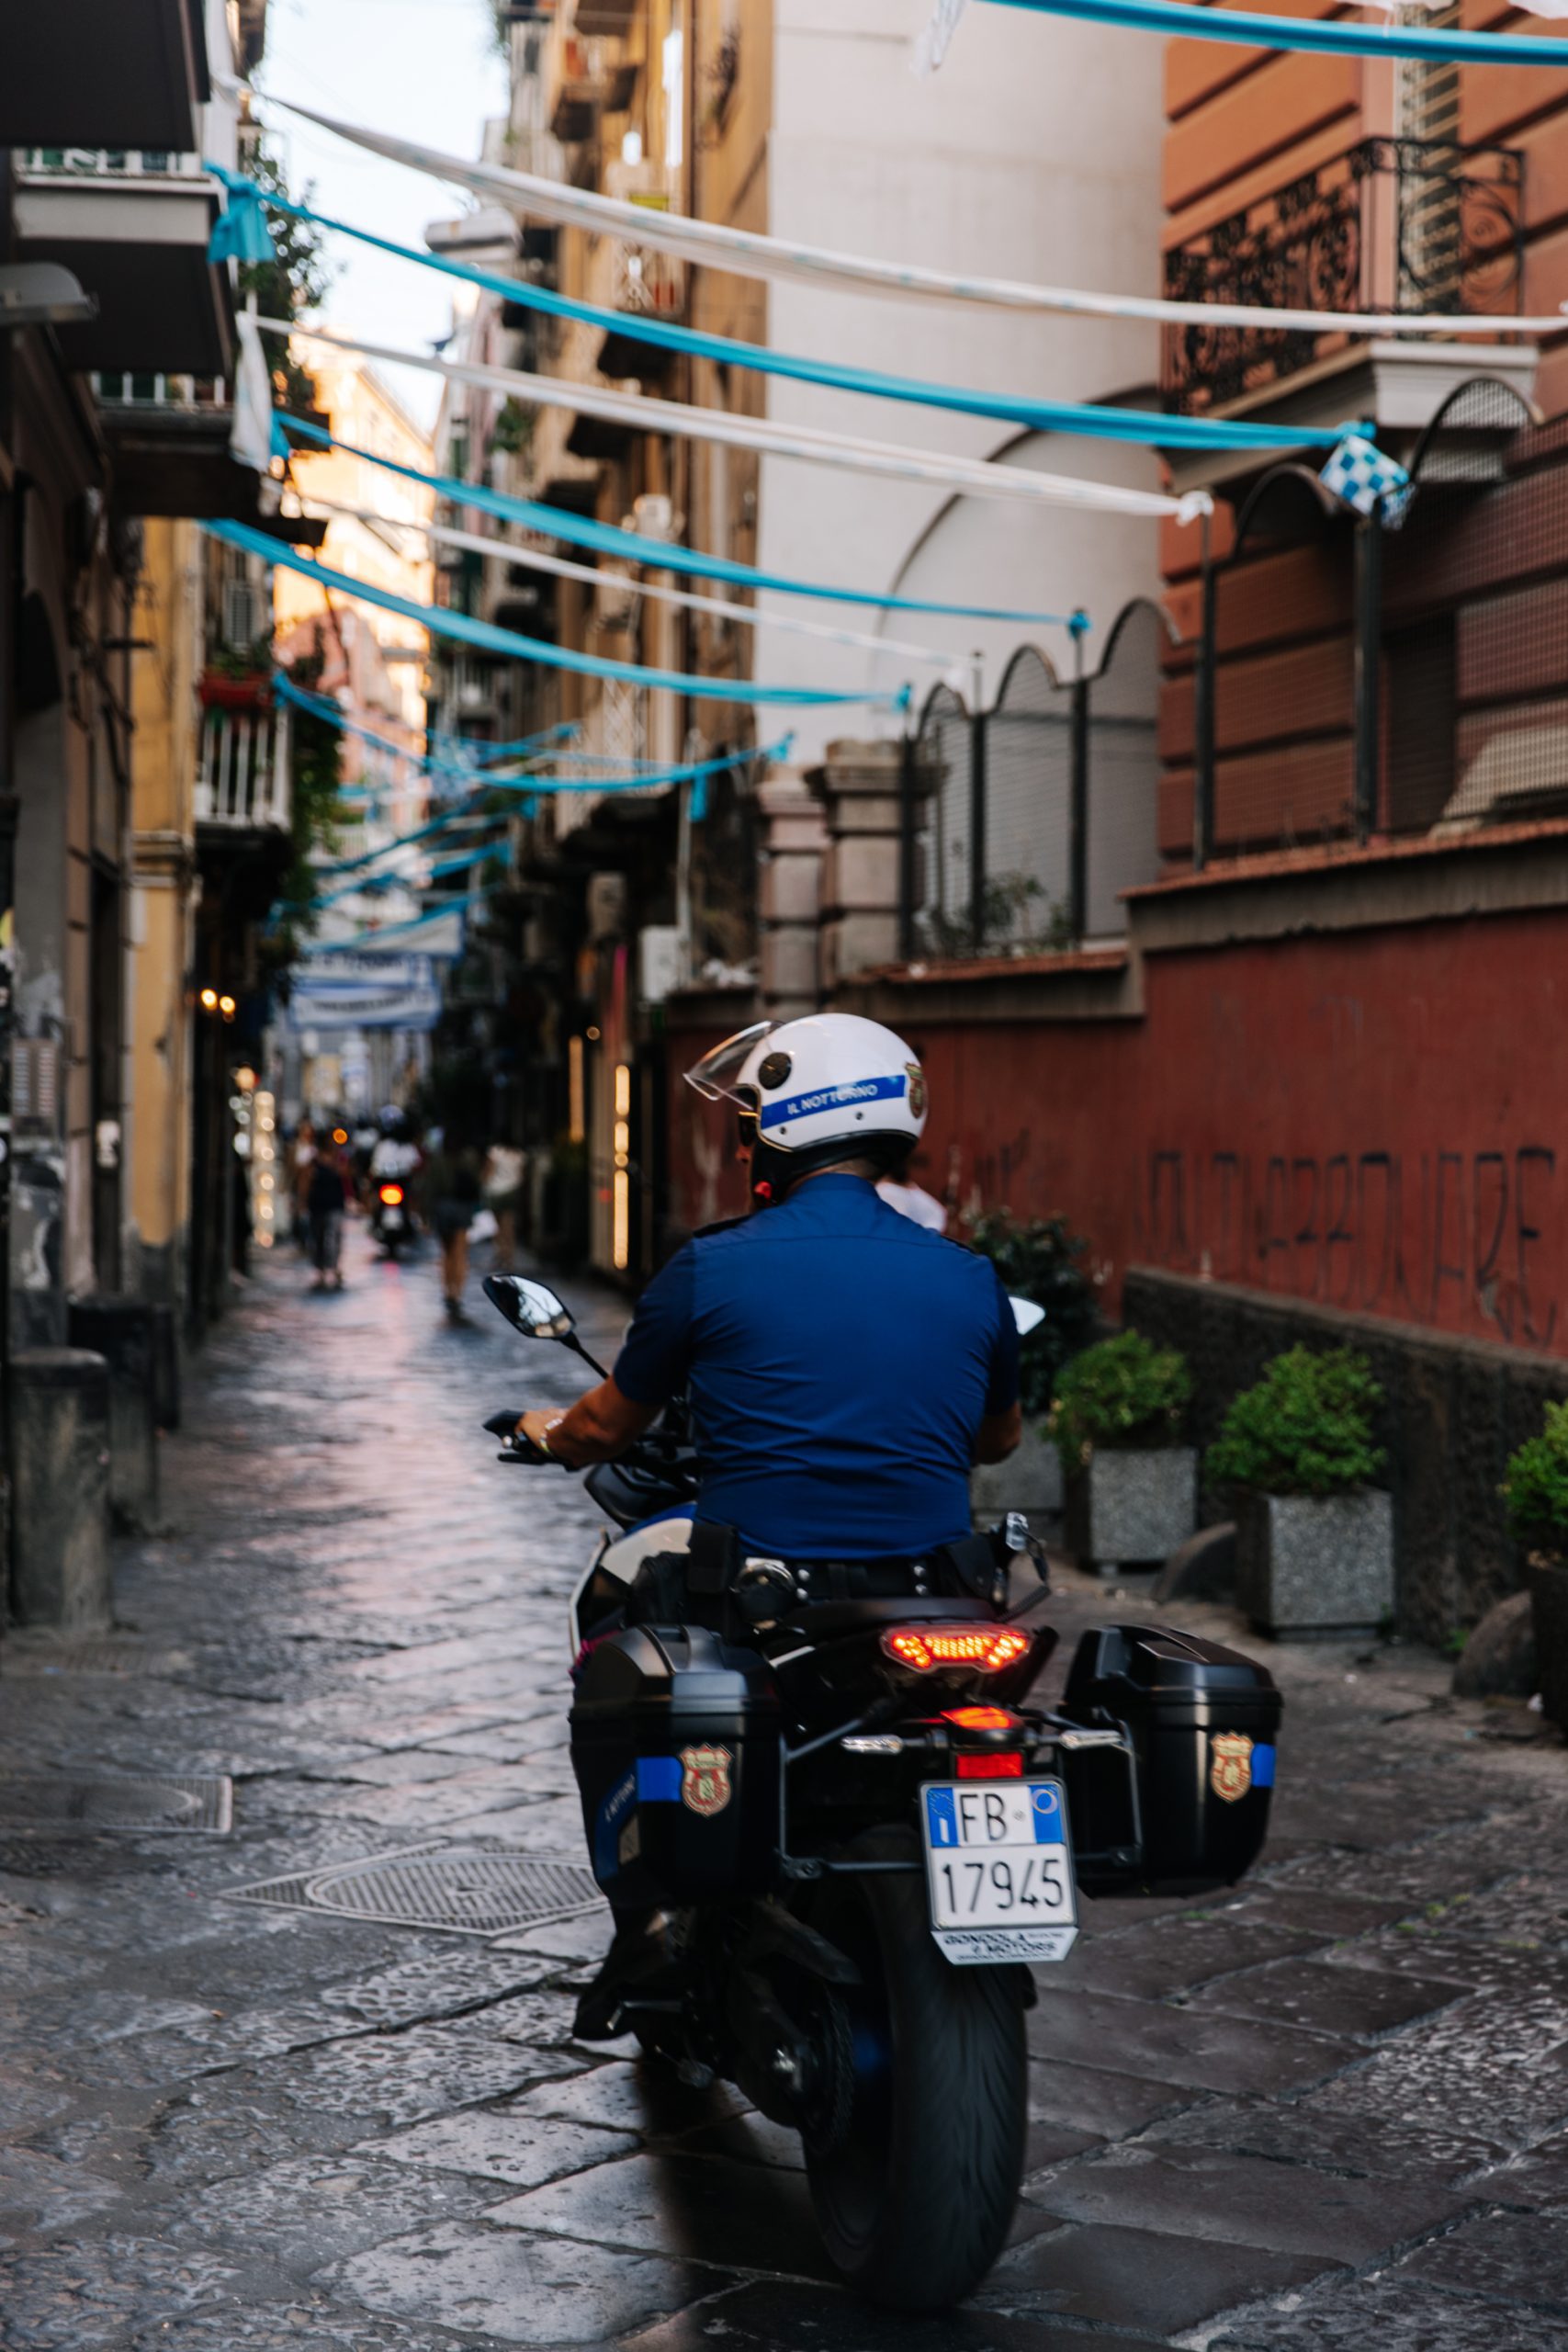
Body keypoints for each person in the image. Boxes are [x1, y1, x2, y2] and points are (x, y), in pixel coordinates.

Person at [511, 1012, 1021, 2030]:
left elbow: (607, 1425)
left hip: (765, 1591)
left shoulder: (711, 1266)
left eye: (747, 1125)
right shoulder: (969, 1276)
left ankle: (650, 1922)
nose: (740, 1145)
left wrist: (544, 1431)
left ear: (782, 1130)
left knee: (613, 1637)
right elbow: (996, 1437)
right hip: (943, 1592)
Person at [424, 1129, 483, 1323]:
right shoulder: (469, 1158)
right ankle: (457, 1292)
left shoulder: (438, 1160)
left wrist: (426, 1215)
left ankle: (448, 1290)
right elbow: (477, 1183)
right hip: (462, 1208)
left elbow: (430, 1188)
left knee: (446, 1252)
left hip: (443, 1208)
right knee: (460, 1252)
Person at [306, 1138, 346, 1291]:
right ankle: (321, 1270)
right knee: (319, 1238)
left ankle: (334, 1268)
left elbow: (346, 1174)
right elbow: (306, 1180)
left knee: (334, 1237)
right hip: (318, 1205)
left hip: (334, 1205)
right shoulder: (314, 1161)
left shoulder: (339, 1160)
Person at [483, 1139, 526, 1272]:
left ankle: (501, 1253)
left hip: (496, 1191)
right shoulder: (519, 1155)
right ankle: (509, 1257)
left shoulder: (495, 1151)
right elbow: (521, 1176)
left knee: (497, 1226)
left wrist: (483, 1185)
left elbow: (489, 1172)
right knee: (509, 1227)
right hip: (512, 1191)